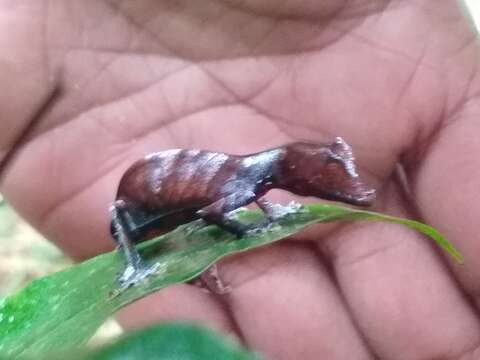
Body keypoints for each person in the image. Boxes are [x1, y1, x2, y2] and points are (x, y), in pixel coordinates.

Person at [1, 1, 480, 359]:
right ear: (292, 173)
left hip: (168, 196)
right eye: (320, 179)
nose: (326, 186)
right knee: (130, 223)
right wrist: (247, 229)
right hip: (141, 204)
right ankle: (132, 265)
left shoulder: (256, 179)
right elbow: (212, 211)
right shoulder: (241, 183)